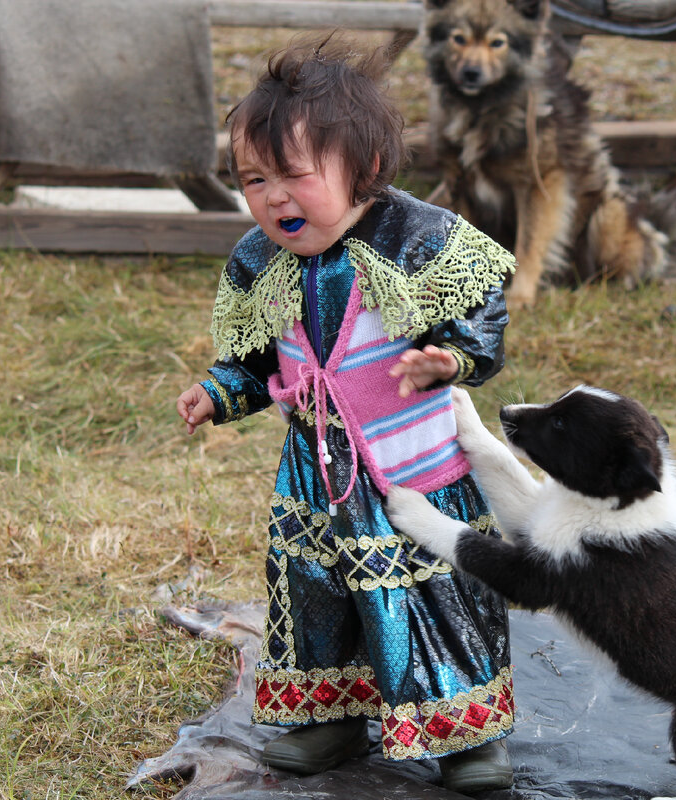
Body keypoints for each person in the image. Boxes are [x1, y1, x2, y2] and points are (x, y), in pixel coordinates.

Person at [175, 35, 517, 793]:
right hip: (317, 471)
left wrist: (452, 360)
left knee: (433, 593)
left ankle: (464, 732)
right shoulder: (260, 261)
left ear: (362, 170)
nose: (272, 198)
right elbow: (258, 359)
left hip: (409, 466)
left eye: (294, 174)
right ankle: (330, 718)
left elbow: (481, 314)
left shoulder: (419, 240)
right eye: (253, 179)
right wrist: (219, 390)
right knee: (313, 591)